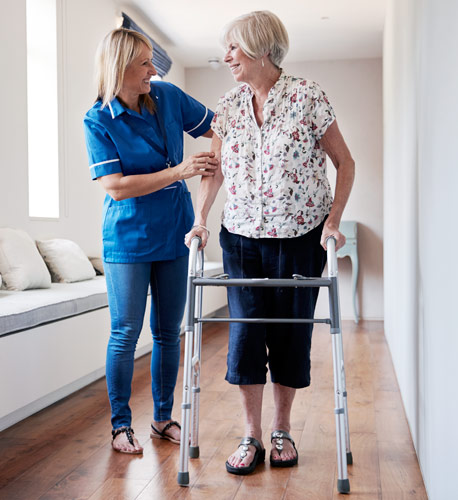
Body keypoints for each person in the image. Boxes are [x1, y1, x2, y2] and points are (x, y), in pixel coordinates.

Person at [185, 11, 355, 475]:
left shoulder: (308, 97)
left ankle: (282, 430)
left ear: (261, 49)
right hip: (241, 238)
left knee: (291, 332)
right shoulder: (230, 104)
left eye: (233, 48)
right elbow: (215, 169)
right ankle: (252, 436)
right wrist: (200, 218)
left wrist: (333, 222)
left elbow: (345, 162)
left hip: (300, 237)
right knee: (244, 334)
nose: (226, 57)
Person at [84, 28, 217, 455]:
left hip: (176, 230)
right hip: (128, 238)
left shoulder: (168, 96)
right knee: (125, 332)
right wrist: (179, 171)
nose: (152, 69)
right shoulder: (98, 119)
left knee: (167, 332)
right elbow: (116, 186)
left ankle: (162, 419)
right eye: (143, 62)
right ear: (119, 68)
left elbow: (220, 126)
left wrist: (212, 185)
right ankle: (120, 425)